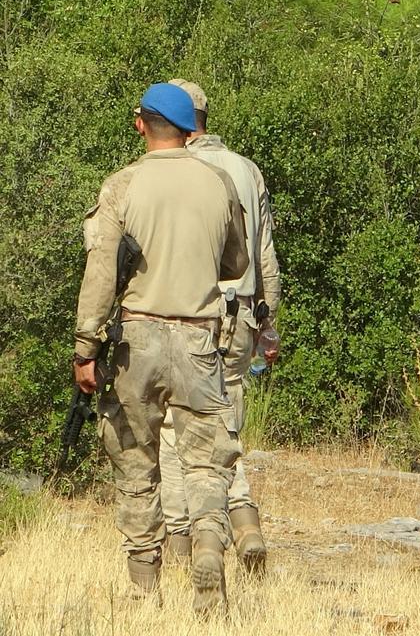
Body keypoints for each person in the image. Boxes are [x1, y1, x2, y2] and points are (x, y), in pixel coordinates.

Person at [73, 82, 247, 615]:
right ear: (190, 129)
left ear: (141, 124)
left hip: (136, 339)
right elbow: (236, 264)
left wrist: (85, 346)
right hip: (198, 337)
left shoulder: (123, 185)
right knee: (206, 463)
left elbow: (101, 272)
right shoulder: (217, 182)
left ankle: (144, 588)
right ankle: (210, 551)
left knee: (135, 460)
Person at [158, 79, 281, 576]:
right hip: (242, 315)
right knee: (224, 422)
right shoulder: (247, 170)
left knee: (173, 429)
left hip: (188, 316)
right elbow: (265, 254)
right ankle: (245, 521)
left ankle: (183, 540)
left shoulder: (173, 172)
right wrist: (267, 322)